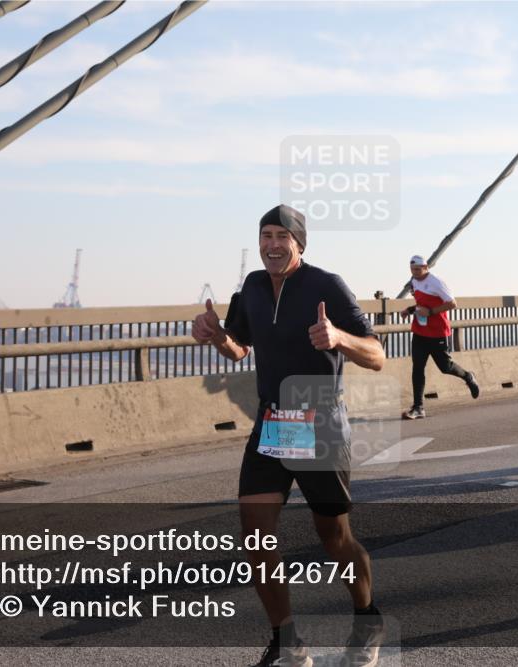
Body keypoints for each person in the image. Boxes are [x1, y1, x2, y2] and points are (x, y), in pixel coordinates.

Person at [192, 205, 386, 667]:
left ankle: (367, 618)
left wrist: (339, 338)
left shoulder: (327, 285)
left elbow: (377, 355)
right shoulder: (253, 288)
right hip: (272, 422)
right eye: (266, 235)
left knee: (334, 536)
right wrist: (217, 335)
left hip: (319, 422)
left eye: (282, 236)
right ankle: (287, 641)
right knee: (255, 535)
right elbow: (239, 347)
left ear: (299, 243)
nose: (272, 244)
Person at [399, 255, 479, 419]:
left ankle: (468, 376)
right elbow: (422, 303)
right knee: (417, 367)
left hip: (437, 332)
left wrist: (431, 312)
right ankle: (418, 407)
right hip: (420, 331)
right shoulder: (414, 282)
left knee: (445, 367)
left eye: (418, 269)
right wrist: (409, 310)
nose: (414, 272)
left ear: (426, 267)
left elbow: (452, 303)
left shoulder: (436, 282)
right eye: (412, 270)